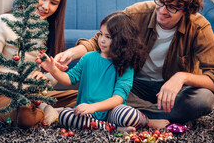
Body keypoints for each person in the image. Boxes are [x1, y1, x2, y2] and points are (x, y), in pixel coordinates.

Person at [53, 0, 214, 124]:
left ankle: (135, 115)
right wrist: (72, 53)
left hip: (174, 91)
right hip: (134, 86)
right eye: (160, 2)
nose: (162, 10)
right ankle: (154, 118)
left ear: (187, 9)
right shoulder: (137, 13)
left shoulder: (199, 27)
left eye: (172, 7)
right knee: (109, 91)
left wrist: (182, 77)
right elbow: (101, 39)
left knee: (204, 99)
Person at [0, 0, 77, 128]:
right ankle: (49, 111)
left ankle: (46, 109)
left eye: (53, 3)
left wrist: (49, 76)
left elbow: (49, 82)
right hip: (4, 96)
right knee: (23, 116)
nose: (45, 6)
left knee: (87, 98)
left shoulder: (49, 31)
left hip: (35, 95)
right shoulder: (5, 21)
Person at [41, 11, 169, 132]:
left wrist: (94, 107)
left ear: (122, 40)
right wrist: (53, 69)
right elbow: (68, 79)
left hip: (112, 112)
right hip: (86, 114)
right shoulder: (88, 57)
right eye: (101, 34)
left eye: (108, 37)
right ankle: (113, 128)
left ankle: (147, 122)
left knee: (129, 115)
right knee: (65, 116)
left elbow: (118, 99)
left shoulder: (125, 65)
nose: (101, 40)